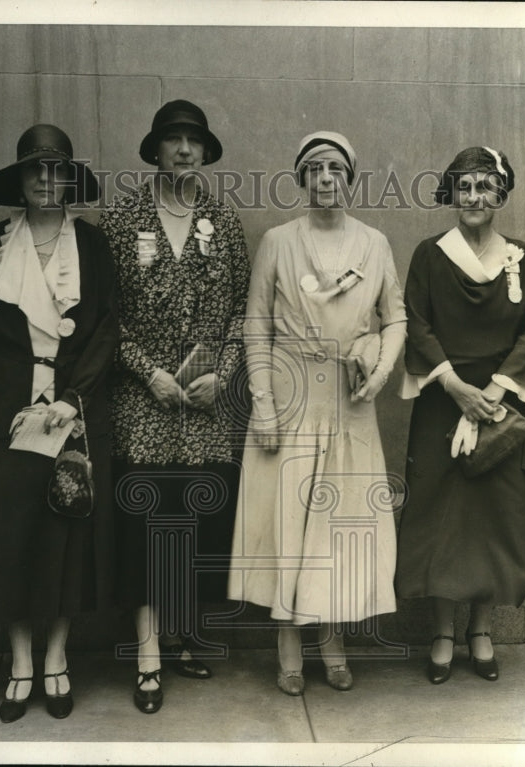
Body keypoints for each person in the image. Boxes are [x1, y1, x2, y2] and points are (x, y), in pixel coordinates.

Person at [228, 131, 406, 695]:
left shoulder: (374, 243)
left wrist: (378, 372)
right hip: (290, 392)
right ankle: (287, 645)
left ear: (350, 179)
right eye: (315, 170)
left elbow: (395, 316)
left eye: (336, 169)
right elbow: (256, 322)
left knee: (336, 526)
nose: (326, 179)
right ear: (302, 179)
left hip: (349, 402)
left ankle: (332, 641)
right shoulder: (279, 241)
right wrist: (263, 401)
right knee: (289, 522)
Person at [0, 124, 118, 722]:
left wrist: (73, 398)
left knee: (65, 532)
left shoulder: (94, 247)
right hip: (4, 411)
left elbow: (106, 330)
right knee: (10, 535)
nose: (47, 184)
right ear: (20, 183)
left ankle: (57, 659)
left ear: (71, 182)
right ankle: (20, 662)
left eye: (58, 173)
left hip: (73, 411)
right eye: (36, 173)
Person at [99, 100, 250, 714]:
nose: (183, 149)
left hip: (206, 403)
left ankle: (184, 634)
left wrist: (225, 371)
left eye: (193, 140)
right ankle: (147, 652)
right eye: (172, 140)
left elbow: (245, 307)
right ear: (155, 150)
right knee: (145, 524)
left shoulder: (224, 219)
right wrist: (148, 372)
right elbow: (102, 318)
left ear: (205, 152)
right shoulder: (122, 219)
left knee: (195, 521)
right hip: (145, 401)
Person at [395, 147, 525, 684]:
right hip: (444, 399)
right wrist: (458, 390)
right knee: (440, 517)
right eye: (464, 186)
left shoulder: (522, 257)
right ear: (451, 194)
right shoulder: (430, 255)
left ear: (501, 195)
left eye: (485, 186)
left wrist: (494, 393)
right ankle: (441, 632)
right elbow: (417, 322)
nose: (474, 196)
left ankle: (480, 630)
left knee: (491, 520)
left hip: (500, 404)